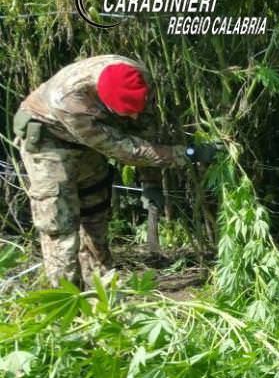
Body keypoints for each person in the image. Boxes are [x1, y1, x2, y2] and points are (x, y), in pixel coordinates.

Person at [12, 55, 219, 288]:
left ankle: (102, 287)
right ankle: (66, 294)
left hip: (93, 136)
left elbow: (145, 129)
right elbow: (128, 150)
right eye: (126, 113)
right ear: (104, 102)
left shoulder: (137, 78)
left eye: (136, 109)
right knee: (60, 221)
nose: (133, 116)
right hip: (49, 140)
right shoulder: (71, 101)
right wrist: (189, 154)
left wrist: (150, 183)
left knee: (95, 208)